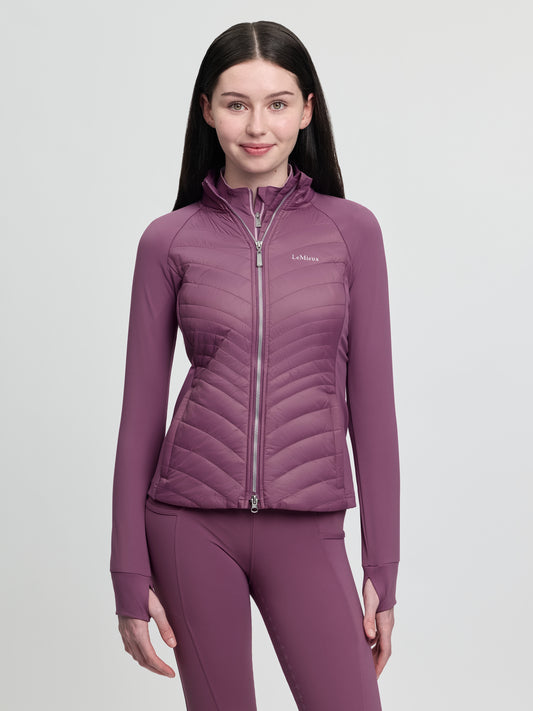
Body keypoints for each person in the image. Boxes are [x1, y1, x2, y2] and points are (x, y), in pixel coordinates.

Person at [110, 19, 401, 711]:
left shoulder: (351, 232)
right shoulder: (168, 240)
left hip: (308, 523)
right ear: (207, 110)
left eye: (277, 102)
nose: (257, 125)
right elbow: (139, 415)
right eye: (236, 103)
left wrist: (381, 566)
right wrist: (127, 572)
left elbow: (373, 409)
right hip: (187, 525)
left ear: (306, 110)